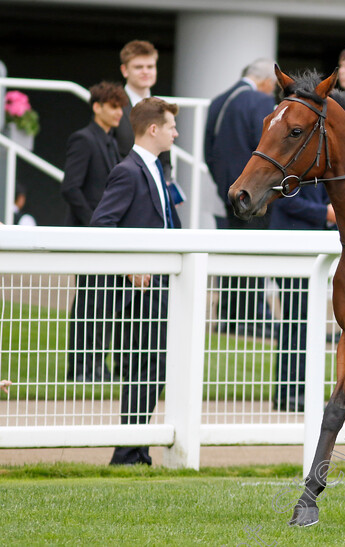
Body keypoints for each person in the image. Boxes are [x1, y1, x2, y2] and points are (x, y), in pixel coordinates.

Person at [91, 97, 181, 465]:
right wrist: (131, 266)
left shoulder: (157, 169)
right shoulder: (128, 171)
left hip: (159, 287)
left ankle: (136, 449)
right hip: (137, 293)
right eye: (172, 126)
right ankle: (128, 452)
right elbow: (101, 224)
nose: (176, 132)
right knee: (142, 367)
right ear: (154, 129)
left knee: (153, 367)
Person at [61, 81, 129, 383]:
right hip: (90, 234)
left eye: (120, 107)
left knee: (105, 301)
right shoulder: (83, 139)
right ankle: (81, 369)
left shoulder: (111, 141)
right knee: (90, 300)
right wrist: (95, 224)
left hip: (106, 234)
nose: (119, 113)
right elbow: (71, 187)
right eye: (113, 106)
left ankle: (97, 366)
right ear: (96, 107)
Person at [205, 59, 278, 337]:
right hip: (253, 193)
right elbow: (266, 146)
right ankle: (252, 317)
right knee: (252, 254)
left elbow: (207, 149)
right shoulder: (258, 100)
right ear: (264, 81)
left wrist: (222, 182)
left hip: (226, 191)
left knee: (230, 256)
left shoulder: (218, 101)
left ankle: (229, 317)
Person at [269, 185, 335, 412]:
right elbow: (287, 201)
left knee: (302, 323)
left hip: (311, 252)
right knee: (296, 323)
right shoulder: (292, 161)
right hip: (291, 251)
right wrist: (325, 213)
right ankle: (289, 392)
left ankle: (294, 392)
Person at [114, 40, 171, 180]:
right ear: (124, 70)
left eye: (150, 66)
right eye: (139, 67)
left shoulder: (163, 108)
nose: (145, 72)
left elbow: (166, 159)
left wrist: (167, 183)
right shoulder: (113, 106)